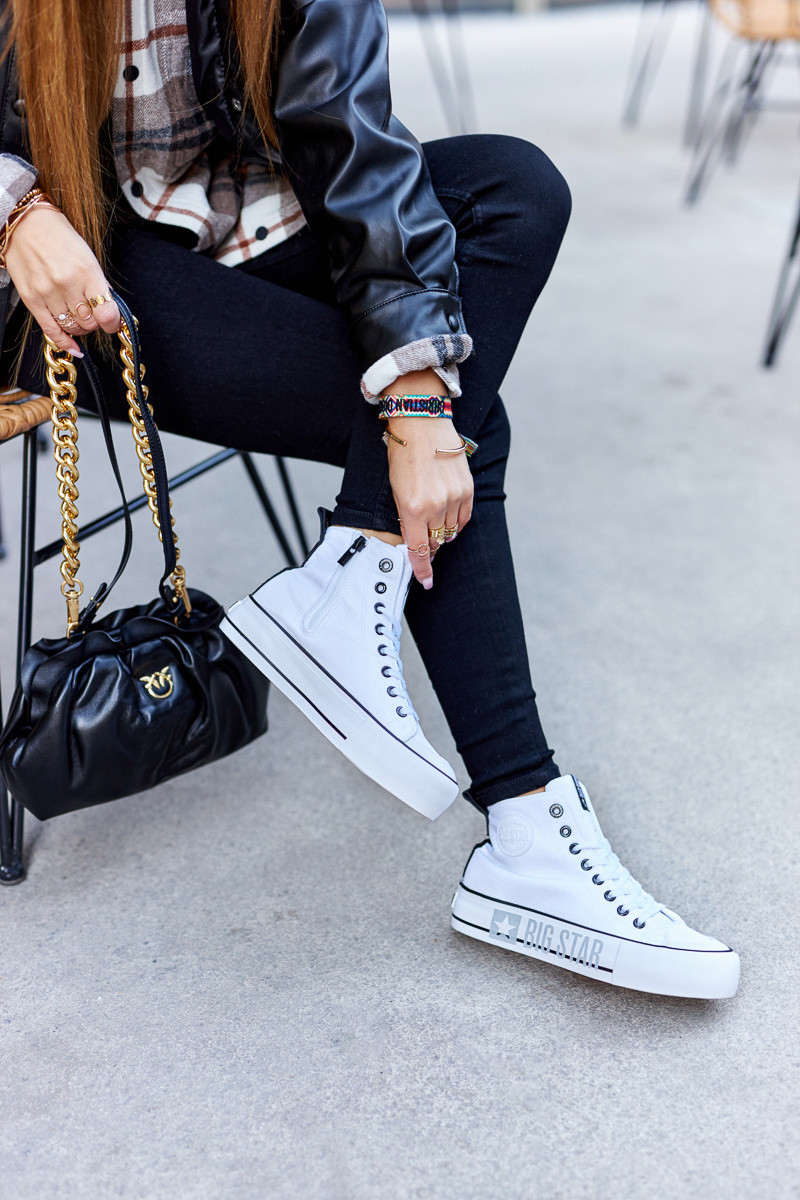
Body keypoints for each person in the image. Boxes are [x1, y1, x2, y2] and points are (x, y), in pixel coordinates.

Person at [0, 0, 738, 998]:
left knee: (513, 193)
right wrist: (17, 209)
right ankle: (523, 820)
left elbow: (347, 119)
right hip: (59, 268)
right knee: (461, 424)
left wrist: (416, 392)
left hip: (232, 208)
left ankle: (361, 561)